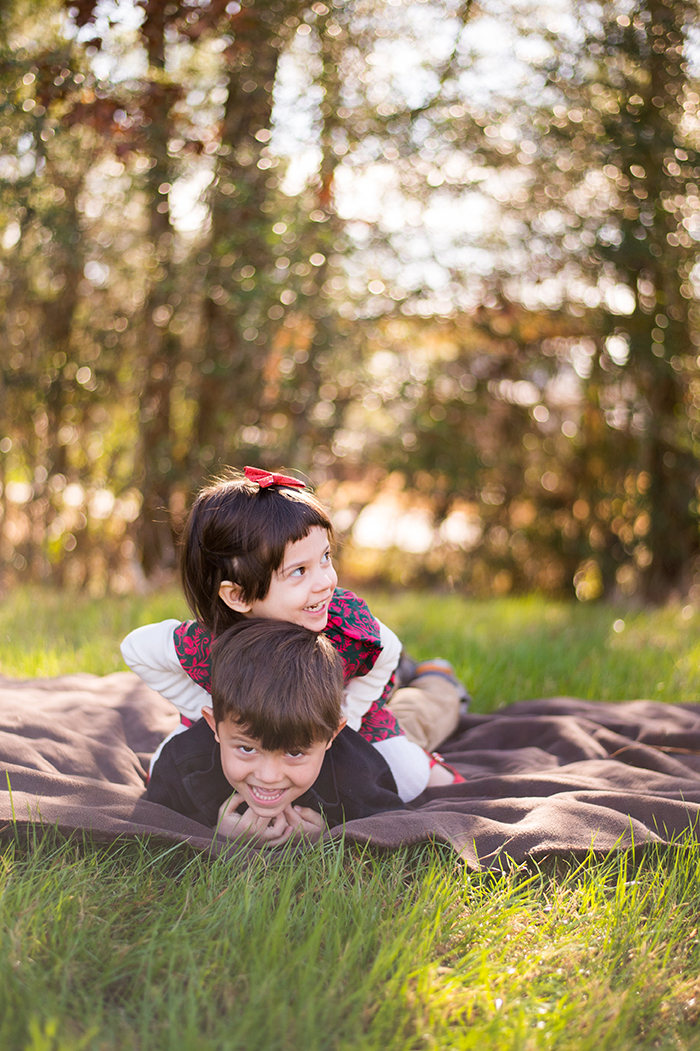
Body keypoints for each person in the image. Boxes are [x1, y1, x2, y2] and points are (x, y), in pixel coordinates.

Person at [122, 466, 466, 802]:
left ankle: (434, 677)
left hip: (337, 707)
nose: (326, 581)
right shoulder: (210, 643)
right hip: (257, 725)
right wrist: (207, 709)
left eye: (326, 557)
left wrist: (348, 715)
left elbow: (386, 649)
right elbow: (137, 650)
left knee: (407, 776)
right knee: (167, 775)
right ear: (239, 596)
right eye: (299, 571)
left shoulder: (340, 624)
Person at [146, 618, 405, 845]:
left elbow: (389, 823)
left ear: (332, 736)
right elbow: (157, 822)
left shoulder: (358, 773)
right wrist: (216, 834)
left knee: (414, 740)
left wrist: (329, 836)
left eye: (294, 752)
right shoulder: (181, 765)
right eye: (247, 748)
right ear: (214, 726)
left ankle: (431, 675)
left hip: (374, 718)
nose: (269, 777)